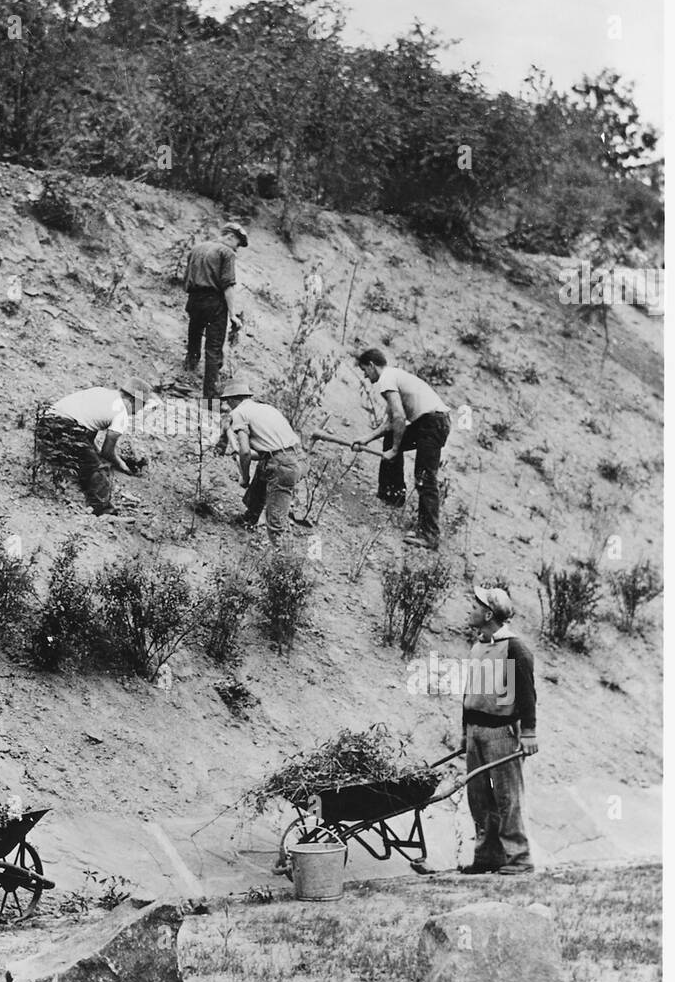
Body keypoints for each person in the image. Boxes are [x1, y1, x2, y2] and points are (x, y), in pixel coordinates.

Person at [315, 347, 450, 549]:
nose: (365, 376)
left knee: (425, 478)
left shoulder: (386, 379)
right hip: (432, 422)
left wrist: (395, 449)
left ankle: (430, 535)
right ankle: (392, 494)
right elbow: (390, 424)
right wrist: (366, 439)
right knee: (392, 439)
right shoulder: (394, 376)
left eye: (364, 371)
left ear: (371, 365)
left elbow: (399, 417)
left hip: (432, 424)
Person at [459, 586, 538, 875]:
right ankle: (489, 855)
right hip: (476, 732)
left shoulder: (514, 647)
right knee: (478, 798)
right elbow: (470, 692)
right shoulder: (478, 647)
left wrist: (528, 732)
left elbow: (527, 694)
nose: (470, 609)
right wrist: (465, 731)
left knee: (507, 797)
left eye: (475, 606)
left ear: (489, 614)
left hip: (501, 732)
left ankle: (519, 859)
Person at [38, 377, 153, 515]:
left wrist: (93, 451)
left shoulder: (101, 392)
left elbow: (87, 425)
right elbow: (107, 451)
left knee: (87, 456)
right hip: (65, 429)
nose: (138, 412)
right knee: (98, 470)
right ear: (134, 400)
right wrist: (121, 464)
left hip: (45, 423)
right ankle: (104, 511)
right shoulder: (121, 413)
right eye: (141, 406)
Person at [219, 380, 301, 547]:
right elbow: (268, 449)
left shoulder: (239, 413)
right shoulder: (265, 408)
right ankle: (249, 519)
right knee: (260, 483)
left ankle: (283, 561)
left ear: (234, 399)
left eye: (227, 401)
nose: (227, 405)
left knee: (276, 521)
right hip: (290, 457)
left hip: (281, 465)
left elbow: (245, 451)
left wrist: (244, 476)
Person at [183, 222, 247, 401]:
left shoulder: (197, 248)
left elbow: (186, 278)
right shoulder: (227, 253)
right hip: (214, 303)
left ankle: (188, 371)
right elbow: (228, 286)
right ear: (230, 237)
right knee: (213, 348)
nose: (237, 249)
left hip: (194, 299)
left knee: (194, 335)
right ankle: (210, 398)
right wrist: (232, 314)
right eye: (238, 243)